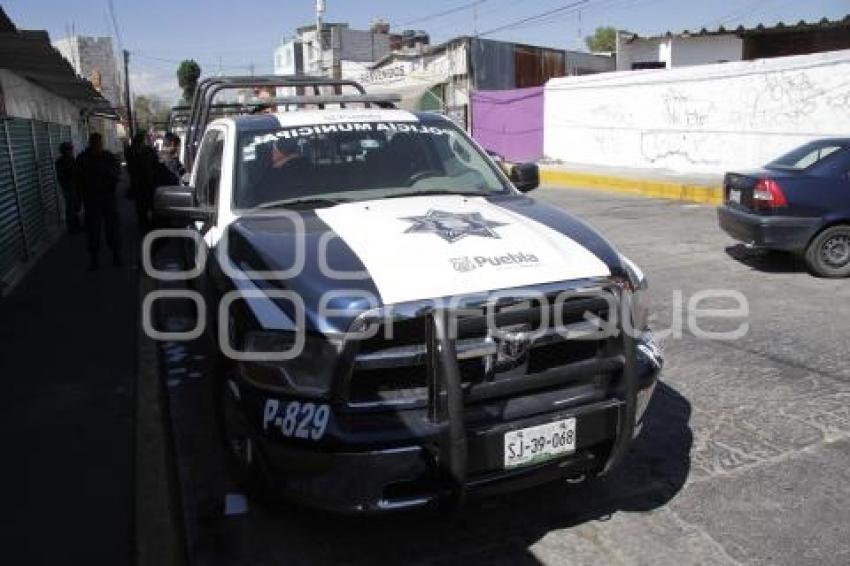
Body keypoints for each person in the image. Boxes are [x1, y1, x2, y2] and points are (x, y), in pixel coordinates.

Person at [75, 132, 122, 270]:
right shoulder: (83, 158)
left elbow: (116, 173)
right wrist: (79, 199)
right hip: (92, 200)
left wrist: (110, 176)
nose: (98, 145)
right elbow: (78, 181)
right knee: (93, 230)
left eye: (99, 143)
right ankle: (95, 258)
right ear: (91, 143)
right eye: (95, 143)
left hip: (107, 198)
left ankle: (115, 254)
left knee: (112, 228)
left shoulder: (107, 157)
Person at [126, 132, 159, 233]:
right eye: (146, 138)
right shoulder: (146, 151)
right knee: (150, 204)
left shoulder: (131, 151)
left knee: (142, 206)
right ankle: (150, 225)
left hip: (139, 183)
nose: (147, 140)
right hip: (146, 182)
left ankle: (144, 225)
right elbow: (155, 163)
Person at [55, 142, 81, 233]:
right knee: (71, 208)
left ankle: (76, 226)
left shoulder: (70, 159)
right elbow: (64, 176)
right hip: (69, 188)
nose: (71, 151)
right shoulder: (62, 161)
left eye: (70, 149)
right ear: (65, 151)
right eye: (69, 149)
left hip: (73, 187)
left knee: (74, 207)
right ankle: (72, 228)